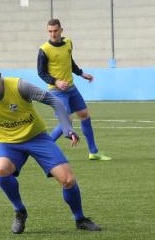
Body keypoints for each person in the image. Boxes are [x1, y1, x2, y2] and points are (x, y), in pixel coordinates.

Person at [0, 59, 101, 234]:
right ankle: (20, 211)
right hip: (9, 144)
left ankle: (80, 219)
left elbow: (55, 101)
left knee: (68, 180)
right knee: (0, 169)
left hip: (37, 138)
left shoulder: (19, 86)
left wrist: (67, 128)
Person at [37, 18, 111, 161]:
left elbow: (70, 62)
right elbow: (41, 72)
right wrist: (56, 81)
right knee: (67, 121)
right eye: (50, 31)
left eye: (55, 31)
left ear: (61, 30)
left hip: (71, 88)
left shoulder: (68, 43)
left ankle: (93, 152)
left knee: (84, 114)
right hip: (56, 90)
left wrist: (81, 73)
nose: (53, 34)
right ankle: (42, 149)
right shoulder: (44, 50)